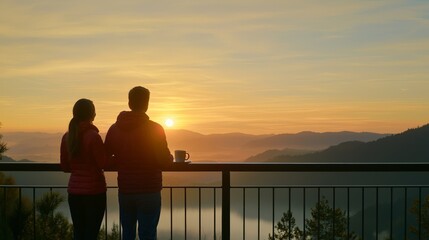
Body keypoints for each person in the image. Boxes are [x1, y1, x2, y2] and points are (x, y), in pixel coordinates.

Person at [105, 86, 173, 240]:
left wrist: (120, 159)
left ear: (129, 103)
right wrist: (171, 159)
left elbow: (105, 159)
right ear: (147, 104)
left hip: (126, 189)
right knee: (147, 235)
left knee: (127, 234)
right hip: (149, 189)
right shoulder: (155, 129)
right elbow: (164, 161)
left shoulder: (115, 129)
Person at [60, 99, 107, 240]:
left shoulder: (67, 137)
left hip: (74, 193)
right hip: (94, 193)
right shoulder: (93, 137)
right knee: (91, 234)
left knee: (79, 233)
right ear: (92, 115)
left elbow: (65, 166)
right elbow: (103, 162)